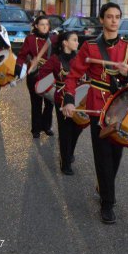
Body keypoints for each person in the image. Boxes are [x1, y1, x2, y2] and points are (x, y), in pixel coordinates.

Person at [62, 2, 128, 224]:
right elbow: (73, 75)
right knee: (103, 154)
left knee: (116, 154)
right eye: (109, 16)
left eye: (117, 17)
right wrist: (69, 99)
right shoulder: (90, 47)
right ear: (102, 20)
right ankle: (108, 203)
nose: (114, 20)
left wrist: (127, 76)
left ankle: (103, 186)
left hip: (121, 106)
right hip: (98, 106)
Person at [38, 31, 83, 175]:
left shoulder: (79, 58)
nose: (77, 43)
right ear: (65, 43)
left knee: (77, 129)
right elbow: (43, 76)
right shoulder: (55, 60)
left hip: (80, 99)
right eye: (74, 40)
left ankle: (69, 153)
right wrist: (54, 86)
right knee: (65, 131)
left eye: (77, 40)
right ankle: (65, 162)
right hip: (62, 100)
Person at [15, 16, 55, 139]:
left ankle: (46, 126)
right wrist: (19, 66)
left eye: (46, 24)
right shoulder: (30, 39)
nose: (44, 26)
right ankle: (36, 129)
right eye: (41, 24)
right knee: (36, 103)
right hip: (35, 75)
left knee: (50, 102)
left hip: (50, 76)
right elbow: (22, 55)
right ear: (36, 26)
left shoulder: (53, 39)